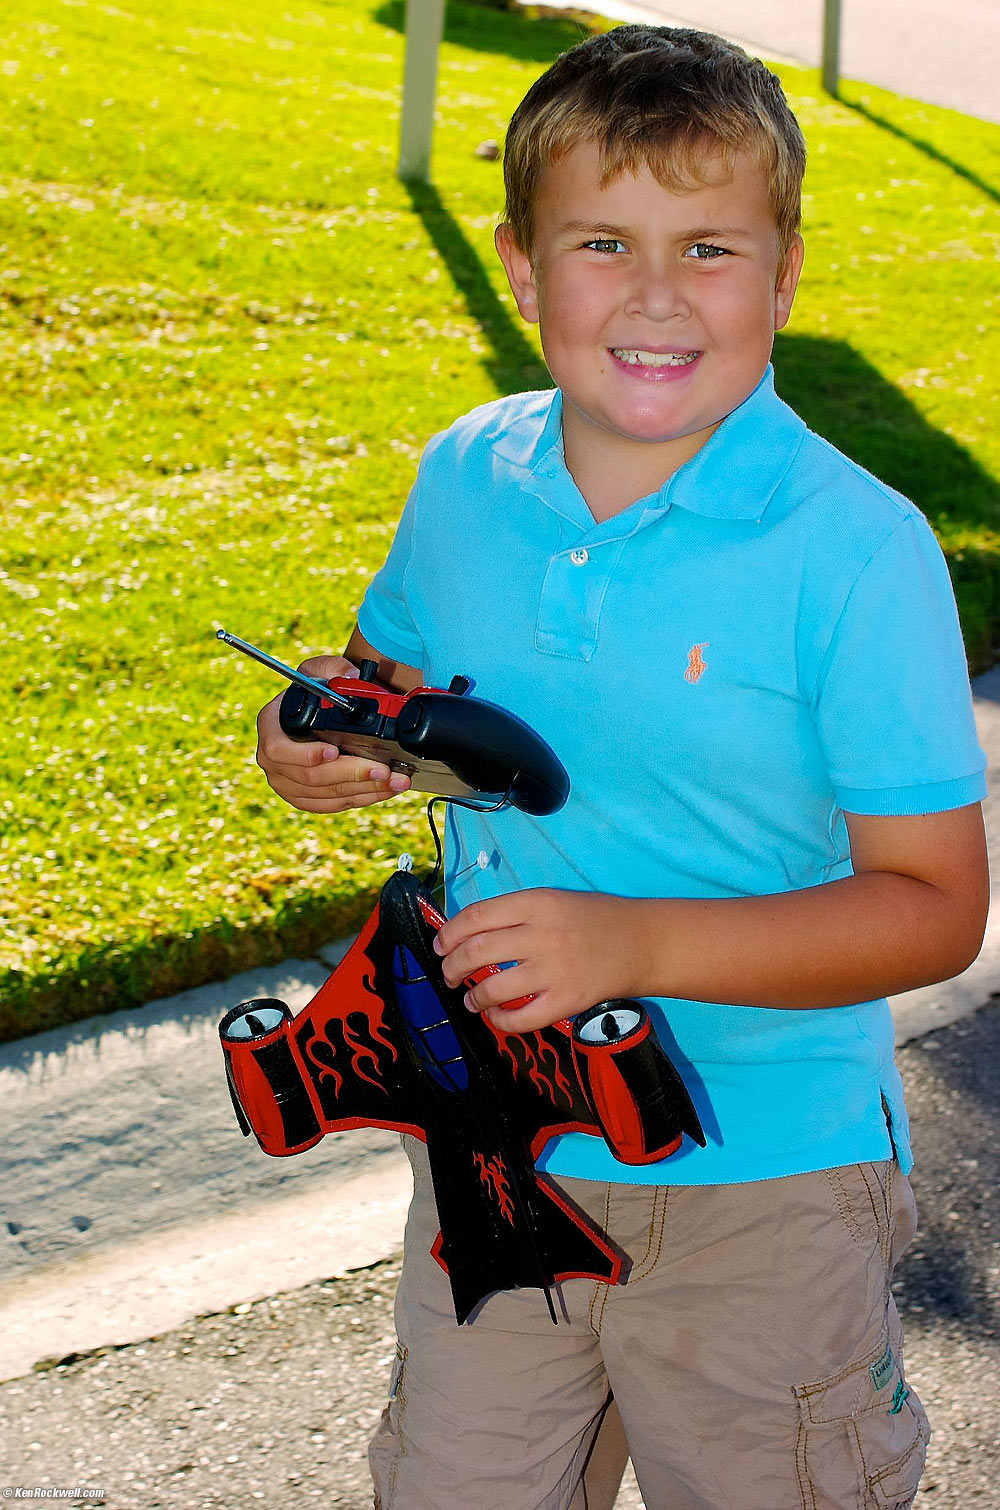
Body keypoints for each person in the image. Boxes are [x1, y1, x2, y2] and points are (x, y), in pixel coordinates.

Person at [254, 25, 989, 1510]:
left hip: (767, 1183)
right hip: (495, 1142)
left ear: (784, 277)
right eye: (603, 243)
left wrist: (634, 944)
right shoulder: (467, 477)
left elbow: (933, 908)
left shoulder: (856, 551)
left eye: (709, 247)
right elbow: (380, 683)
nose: (657, 293)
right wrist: (317, 737)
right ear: (525, 271)